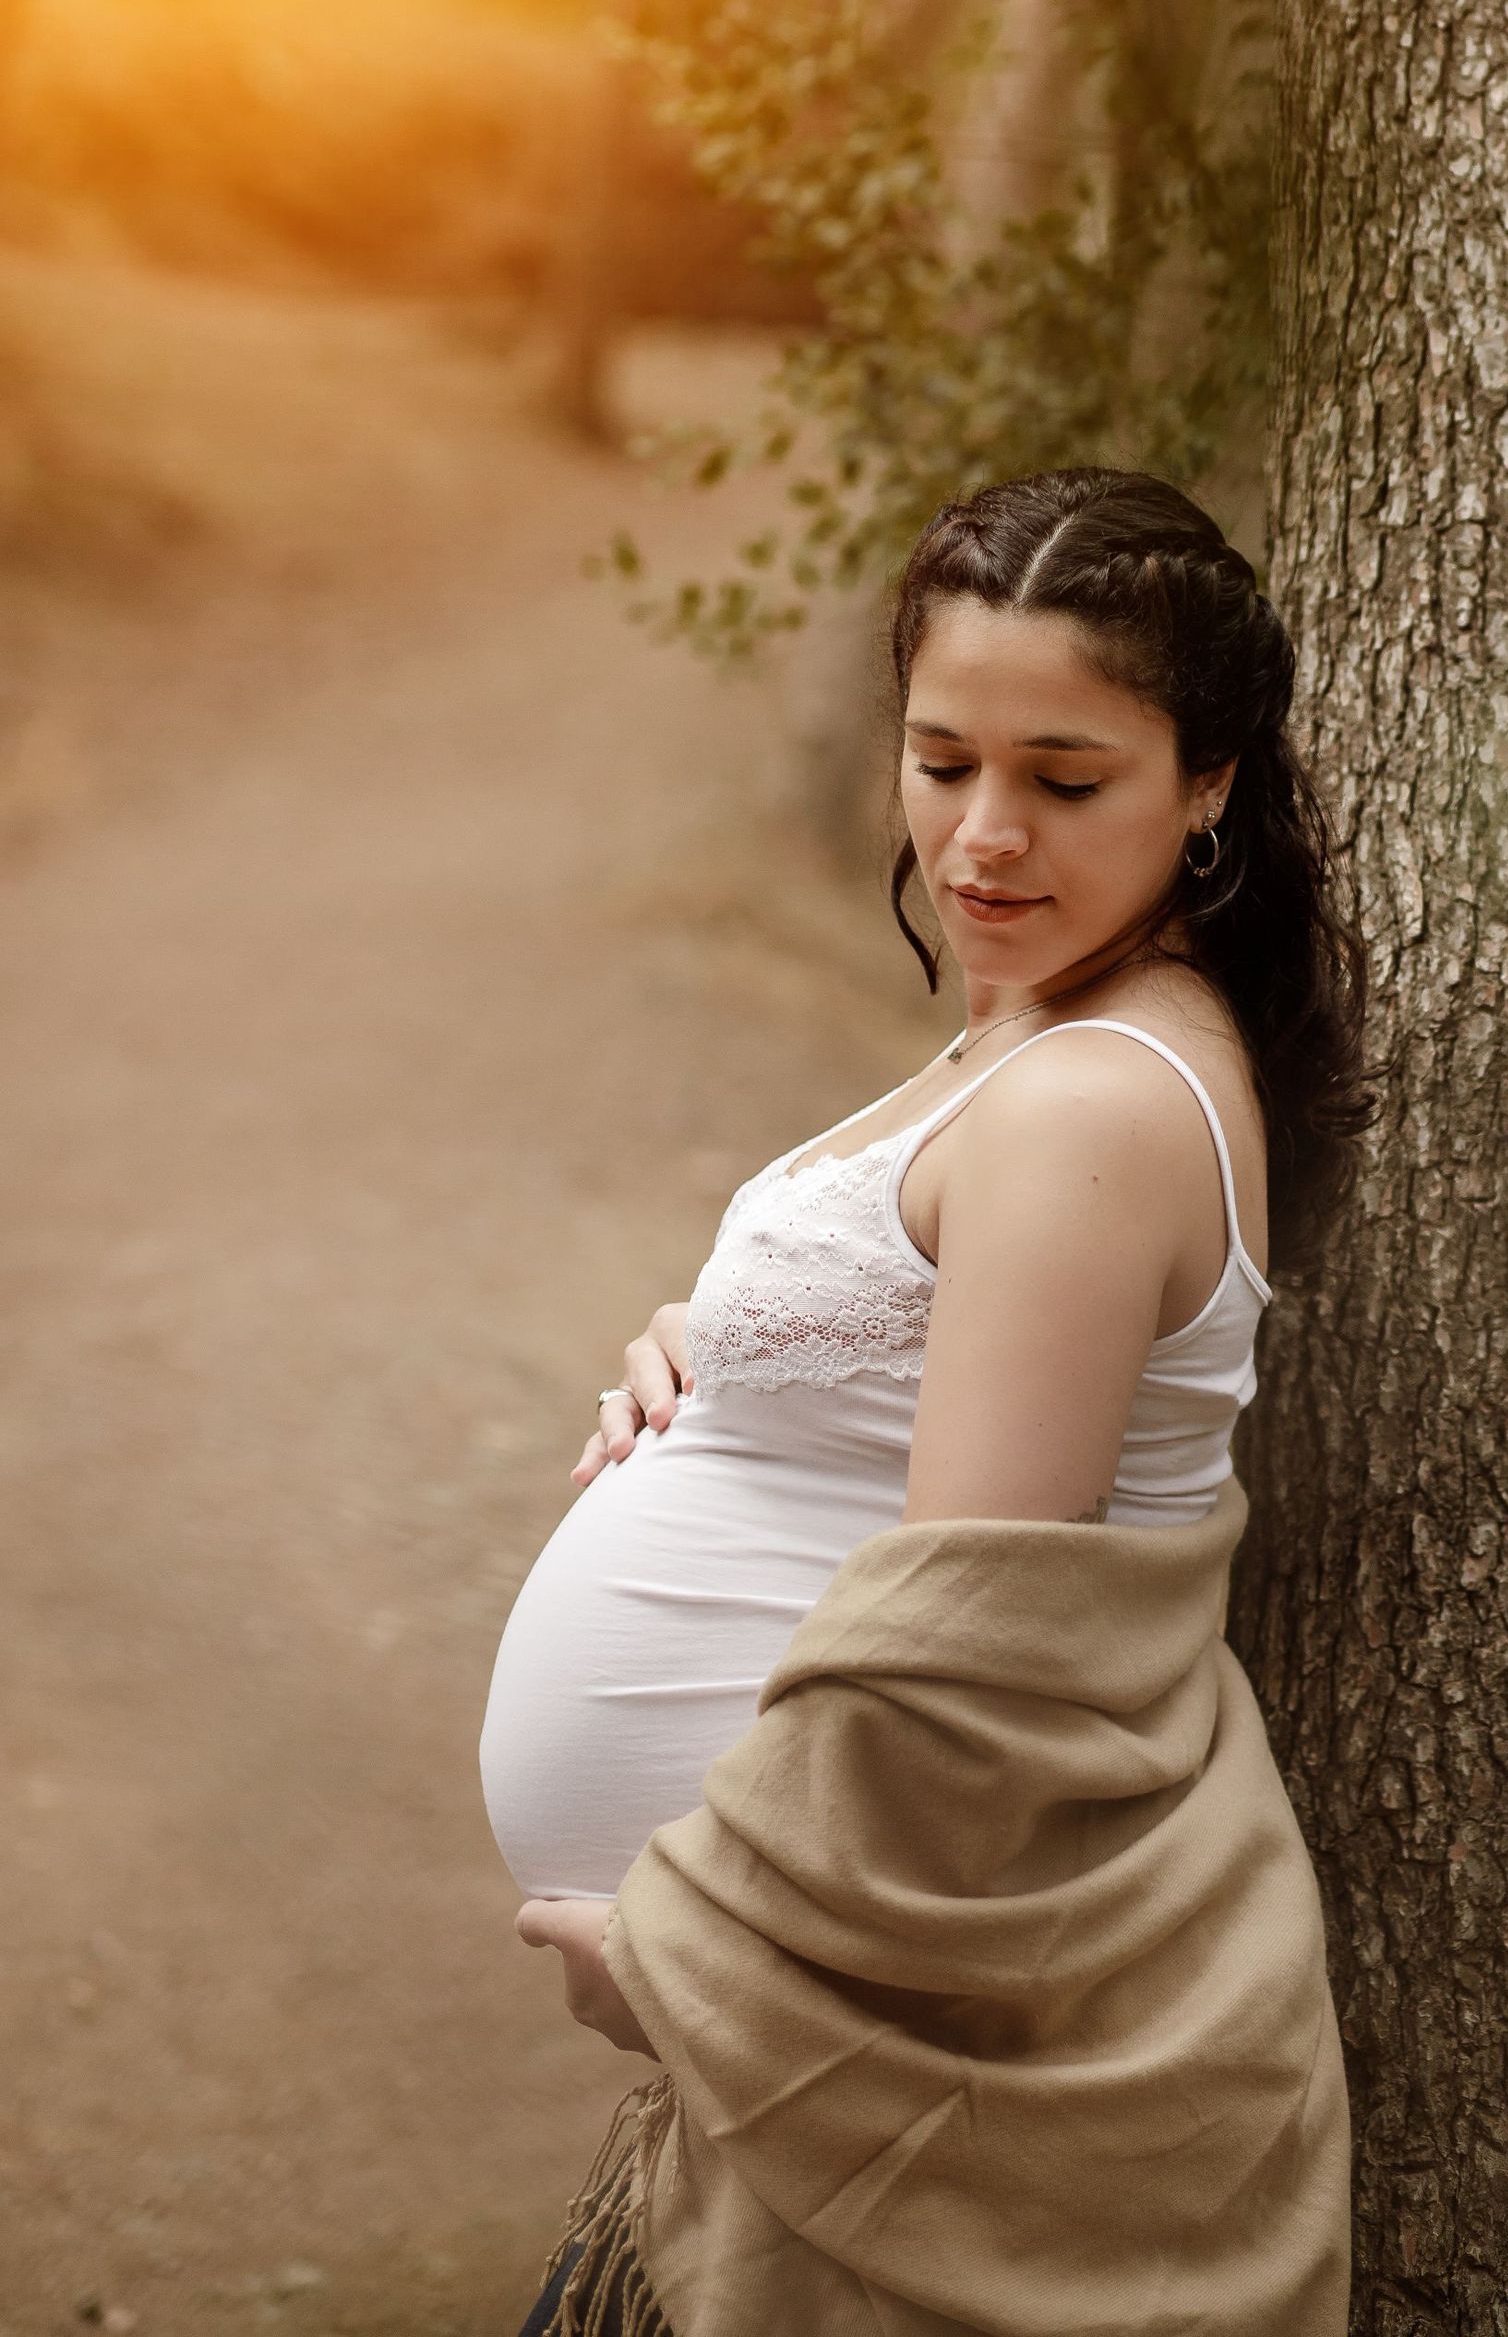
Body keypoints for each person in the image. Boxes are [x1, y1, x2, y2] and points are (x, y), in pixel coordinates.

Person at [481, 465, 1372, 2337]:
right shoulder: (1046, 1026)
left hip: (845, 1987)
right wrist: (732, 1346)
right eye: (940, 757)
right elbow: (934, 1358)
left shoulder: (1092, 1102)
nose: (981, 836)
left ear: (1206, 783)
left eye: (1065, 780)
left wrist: (713, 1963)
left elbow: (969, 1660)